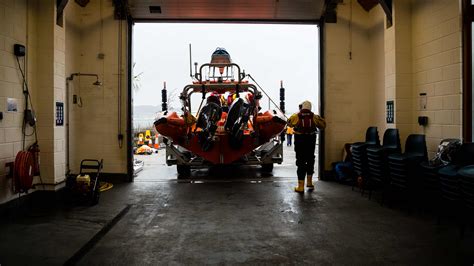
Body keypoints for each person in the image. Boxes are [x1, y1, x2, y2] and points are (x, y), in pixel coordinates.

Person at [287, 100, 326, 193]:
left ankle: (300, 187)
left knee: (300, 161)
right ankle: (309, 182)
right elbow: (323, 125)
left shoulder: (296, 116)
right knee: (310, 160)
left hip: (300, 141)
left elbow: (289, 123)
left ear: (302, 107)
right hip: (310, 140)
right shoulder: (314, 117)